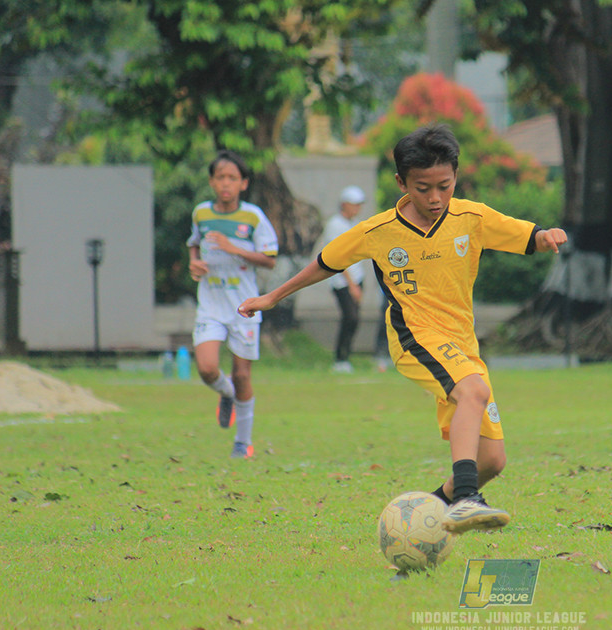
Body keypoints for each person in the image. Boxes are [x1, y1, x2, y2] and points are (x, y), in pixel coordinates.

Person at [238, 124, 567, 534]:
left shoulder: (471, 217)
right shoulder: (378, 232)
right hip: (415, 339)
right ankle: (466, 499)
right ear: (401, 183)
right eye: (422, 187)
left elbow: (526, 236)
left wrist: (548, 236)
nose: (434, 198)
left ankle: (420, 517)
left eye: (443, 186)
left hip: (462, 344)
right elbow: (326, 263)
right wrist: (272, 298)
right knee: (474, 391)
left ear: (455, 178)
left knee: (492, 460)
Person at [187, 150, 278, 459]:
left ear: (243, 183)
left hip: (244, 305)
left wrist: (232, 247)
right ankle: (226, 394)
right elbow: (194, 244)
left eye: (232, 178)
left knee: (242, 375)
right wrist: (194, 263)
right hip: (211, 303)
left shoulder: (253, 217)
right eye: (220, 177)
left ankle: (243, 443)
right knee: (207, 367)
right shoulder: (201, 212)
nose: (226, 184)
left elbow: (268, 260)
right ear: (212, 182)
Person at [320, 185, 368, 373]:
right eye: (354, 204)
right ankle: (340, 358)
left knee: (354, 319)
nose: (357, 208)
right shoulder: (335, 224)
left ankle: (346, 357)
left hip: (357, 278)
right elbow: (337, 257)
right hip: (342, 281)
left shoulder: (355, 223)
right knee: (350, 317)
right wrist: (352, 285)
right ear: (344, 204)